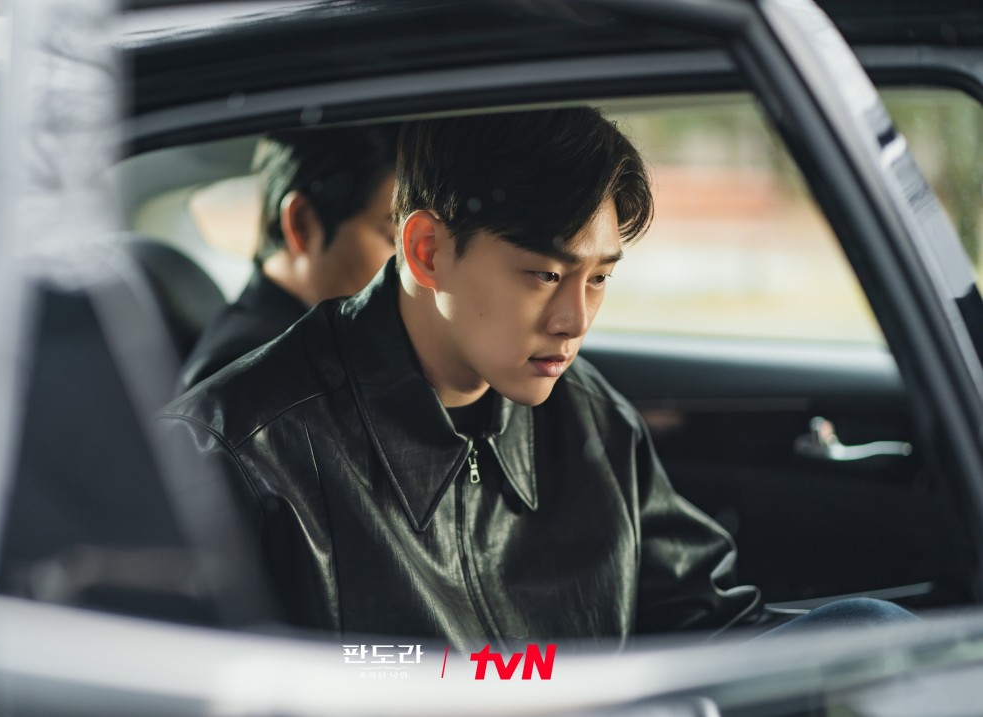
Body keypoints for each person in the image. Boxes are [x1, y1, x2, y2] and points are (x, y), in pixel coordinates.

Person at [159, 108, 762, 650]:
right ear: (426, 250)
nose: (575, 321)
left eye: (599, 278)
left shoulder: (590, 416)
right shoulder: (242, 454)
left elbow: (714, 630)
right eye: (545, 275)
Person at [177, 125, 398, 393]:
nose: (410, 265)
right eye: (393, 239)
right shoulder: (250, 373)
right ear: (302, 224)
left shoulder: (320, 339)